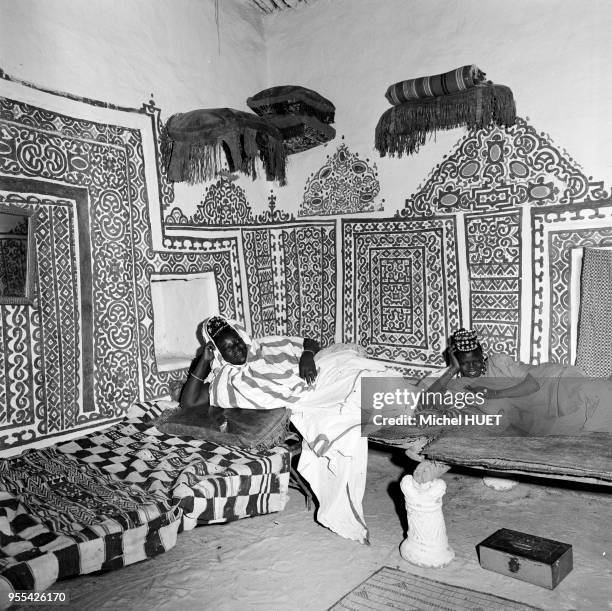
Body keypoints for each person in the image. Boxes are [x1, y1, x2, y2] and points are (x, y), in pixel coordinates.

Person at [180, 315, 413, 543]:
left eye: (238, 340)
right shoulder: (227, 381)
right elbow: (189, 401)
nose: (238, 349)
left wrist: (307, 356)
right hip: (307, 398)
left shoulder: (264, 346)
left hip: (316, 373)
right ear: (219, 352)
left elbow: (308, 342)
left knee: (363, 372)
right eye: (229, 348)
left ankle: (416, 405)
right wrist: (204, 359)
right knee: (350, 415)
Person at [424, 328, 612, 435]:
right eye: (464, 363)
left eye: (476, 360)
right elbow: (428, 399)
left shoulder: (497, 362)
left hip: (552, 384)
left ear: (483, 356)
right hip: (538, 415)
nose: (472, 367)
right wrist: (453, 369)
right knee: (587, 424)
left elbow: (533, 384)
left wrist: (494, 394)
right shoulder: (459, 386)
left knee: (597, 392)